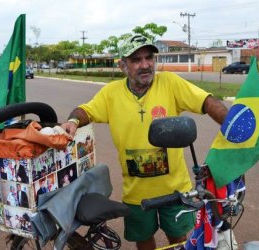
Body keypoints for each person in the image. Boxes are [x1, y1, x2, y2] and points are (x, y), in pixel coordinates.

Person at [61, 34, 228, 250]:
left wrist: (232, 123)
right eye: (136, 60)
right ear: (123, 65)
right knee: (144, 242)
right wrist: (73, 121)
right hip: (136, 193)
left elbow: (206, 101)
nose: (145, 65)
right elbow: (86, 110)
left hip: (175, 190)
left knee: (179, 241)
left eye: (149, 57)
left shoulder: (170, 83)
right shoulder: (111, 93)